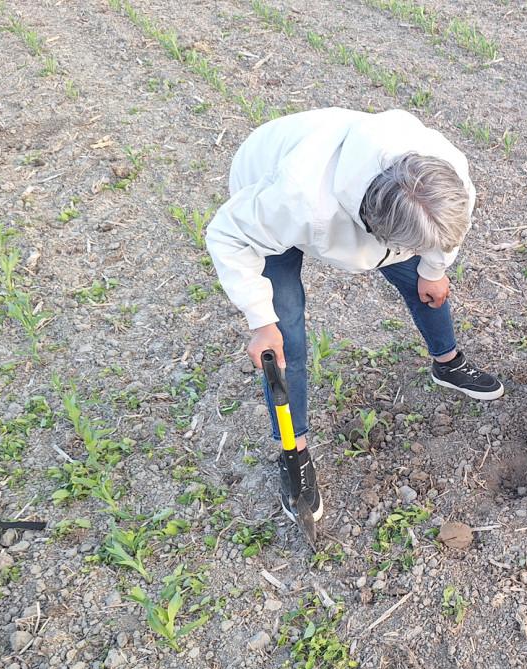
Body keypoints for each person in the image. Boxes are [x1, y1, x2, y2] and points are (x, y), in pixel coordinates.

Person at [207, 107, 504, 525]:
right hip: (266, 180)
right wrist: (261, 320)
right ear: (375, 229)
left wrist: (433, 268)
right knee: (286, 329)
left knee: (424, 285)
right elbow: (227, 234)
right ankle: (295, 450)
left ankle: (448, 364)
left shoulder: (443, 171)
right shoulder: (294, 198)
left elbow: (449, 224)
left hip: (387, 209)